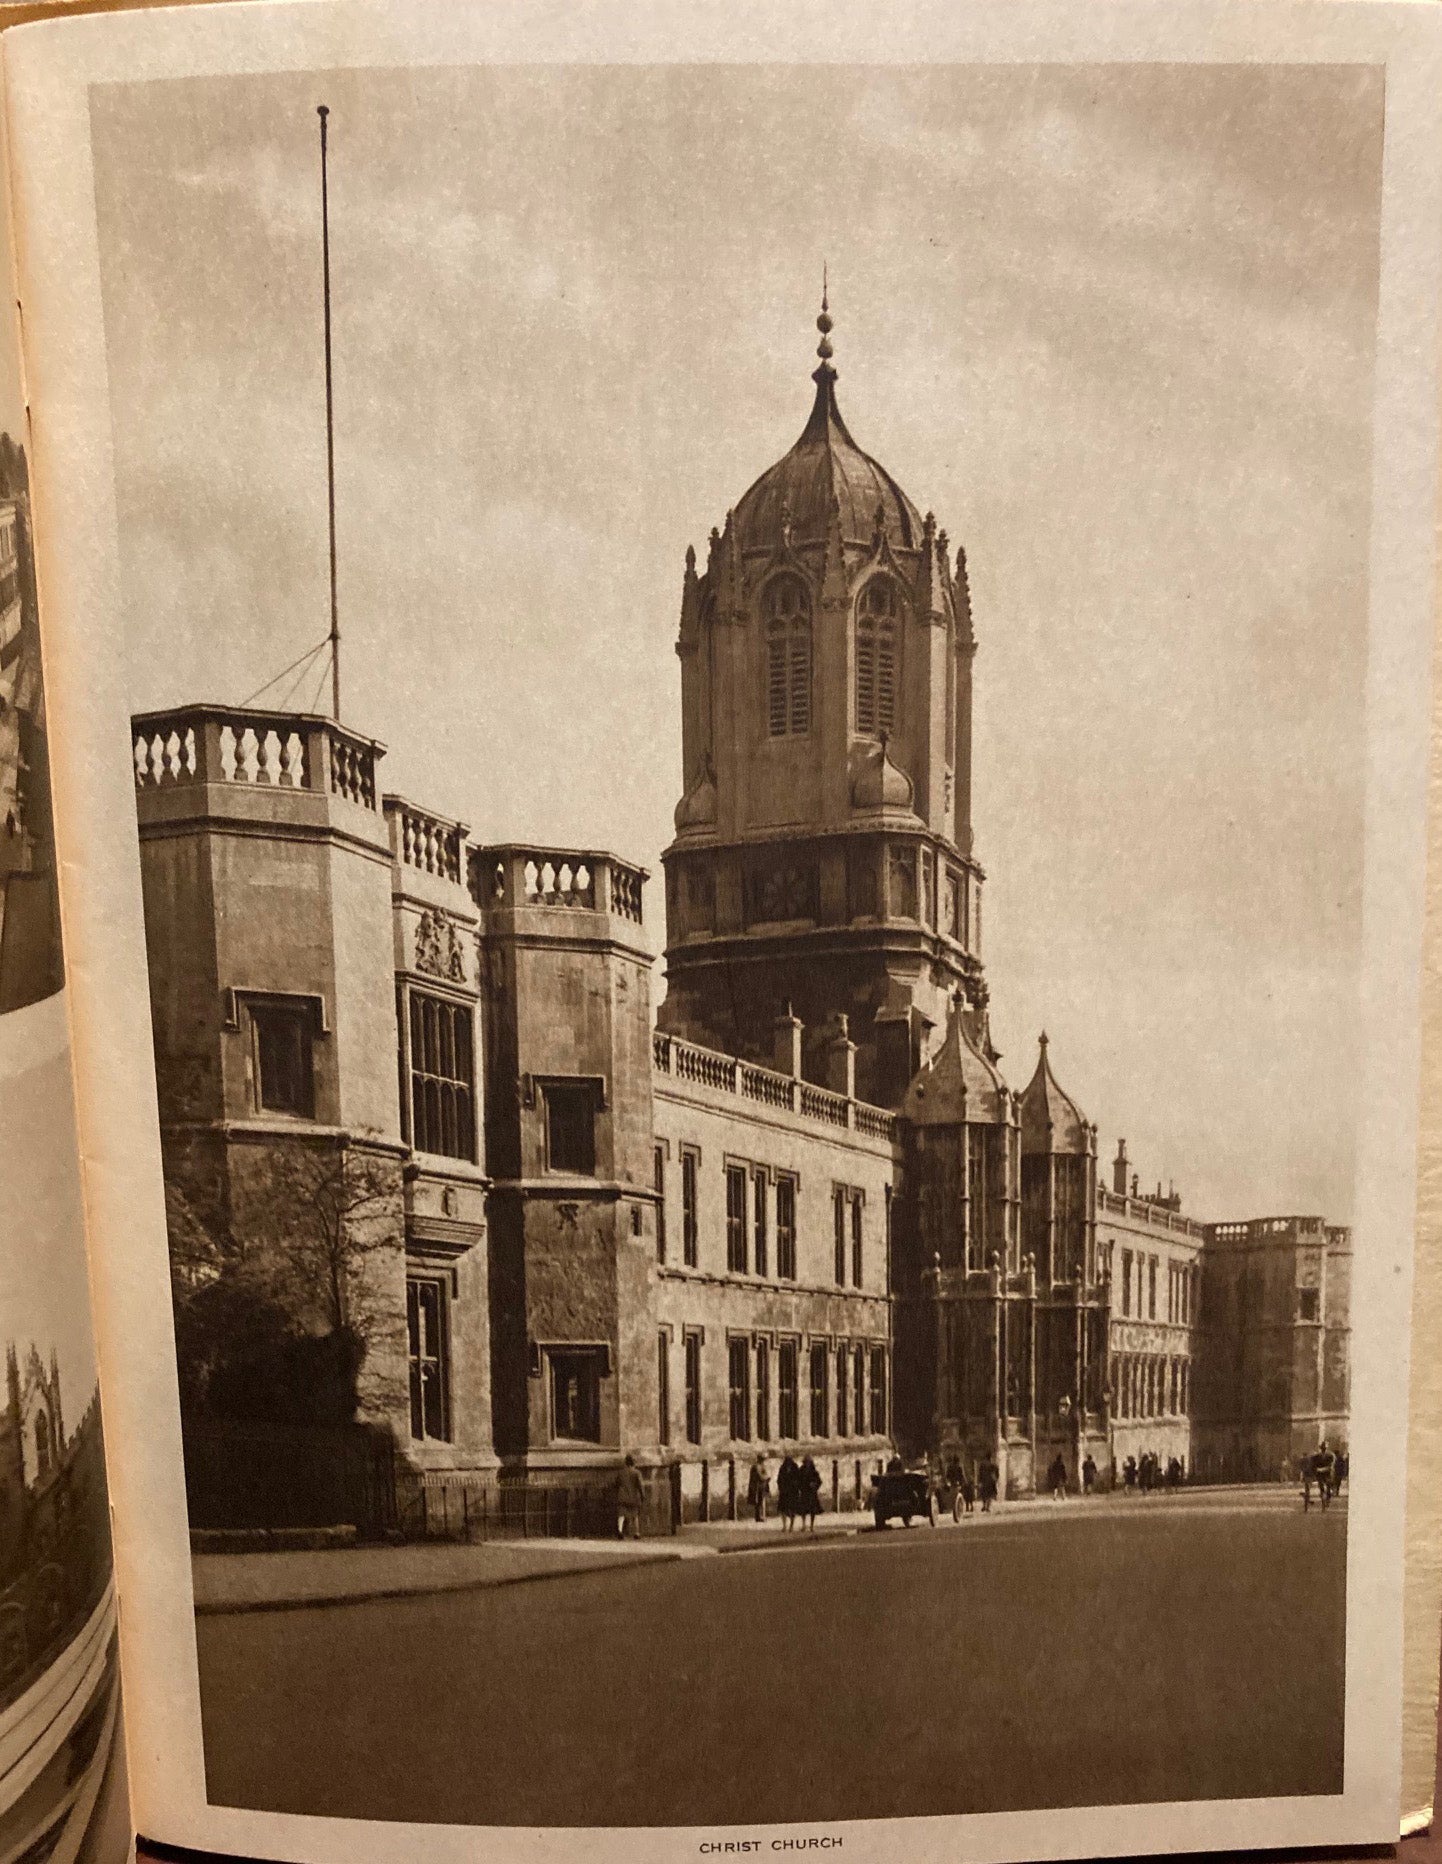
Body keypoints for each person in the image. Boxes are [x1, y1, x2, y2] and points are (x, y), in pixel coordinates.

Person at [616, 1454, 645, 1540]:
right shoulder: (637, 1473)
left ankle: (620, 1531)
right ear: (633, 1463)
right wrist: (643, 1495)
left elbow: (617, 1484)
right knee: (635, 1515)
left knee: (621, 1515)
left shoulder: (621, 1473)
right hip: (633, 1497)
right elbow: (640, 1485)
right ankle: (636, 1533)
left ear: (625, 1463)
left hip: (622, 1496)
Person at [777, 1453, 801, 1533]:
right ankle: (784, 1526)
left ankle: (791, 1525)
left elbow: (798, 1478)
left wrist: (796, 1486)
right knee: (783, 1509)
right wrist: (781, 1487)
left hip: (792, 1492)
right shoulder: (782, 1468)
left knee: (792, 1509)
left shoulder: (795, 1468)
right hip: (784, 1492)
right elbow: (779, 1479)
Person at [799, 1454, 823, 1531]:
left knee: (812, 1510)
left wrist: (814, 1485)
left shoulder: (814, 1471)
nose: (807, 1463)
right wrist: (801, 1487)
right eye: (806, 1462)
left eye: (808, 1462)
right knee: (803, 1509)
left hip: (812, 1493)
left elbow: (819, 1481)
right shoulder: (801, 1470)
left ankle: (811, 1526)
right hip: (804, 1491)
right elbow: (798, 1480)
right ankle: (803, 1525)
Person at [746, 1453, 771, 1525]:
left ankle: (760, 1516)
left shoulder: (761, 1466)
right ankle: (758, 1516)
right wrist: (766, 1478)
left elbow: (765, 1474)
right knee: (758, 1502)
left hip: (761, 1486)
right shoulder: (756, 1466)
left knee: (760, 1501)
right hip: (757, 1487)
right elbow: (760, 1476)